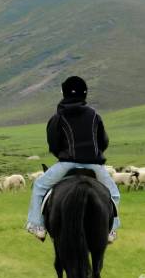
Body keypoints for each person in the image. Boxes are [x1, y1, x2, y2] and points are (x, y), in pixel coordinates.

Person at [25, 76, 121, 243]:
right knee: (114, 194)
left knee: (39, 186)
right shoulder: (94, 115)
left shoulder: (58, 117)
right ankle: (111, 229)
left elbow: (53, 143)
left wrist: (63, 155)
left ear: (64, 93)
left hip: (66, 163)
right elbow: (103, 141)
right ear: (85, 93)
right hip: (94, 165)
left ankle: (37, 225)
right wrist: (93, 154)